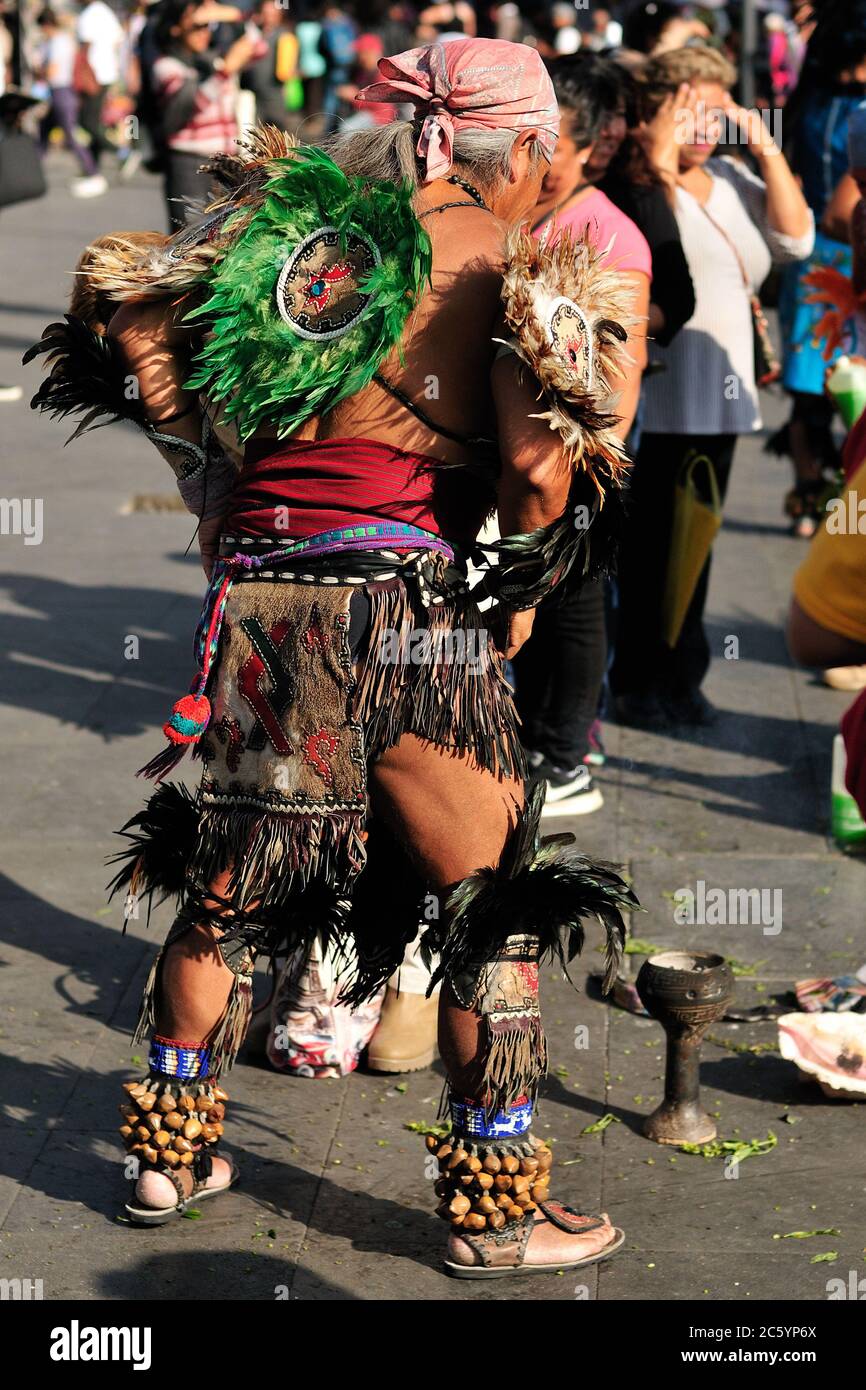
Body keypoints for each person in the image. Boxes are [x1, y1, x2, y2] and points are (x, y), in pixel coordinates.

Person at [28, 37, 638, 1278]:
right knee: (486, 903)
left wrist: (214, 492)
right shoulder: (508, 259)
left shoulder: (282, 233)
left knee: (227, 888)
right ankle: (494, 1208)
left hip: (263, 608)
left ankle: (167, 1149)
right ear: (518, 148)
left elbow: (132, 311)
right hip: (404, 609)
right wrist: (522, 590)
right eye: (536, 158)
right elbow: (530, 464)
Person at [610, 43, 814, 730]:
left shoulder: (731, 178)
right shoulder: (637, 180)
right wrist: (662, 151)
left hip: (723, 396)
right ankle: (644, 677)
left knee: (698, 542)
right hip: (661, 394)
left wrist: (762, 142)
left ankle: (680, 674)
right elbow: (653, 228)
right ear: (657, 110)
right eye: (687, 109)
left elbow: (798, 243)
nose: (702, 126)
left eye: (712, 111)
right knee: (650, 548)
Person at [511, 53, 650, 816]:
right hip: (530, 451)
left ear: (592, 146)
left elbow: (619, 374)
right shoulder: (533, 211)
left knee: (573, 604)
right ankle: (539, 741)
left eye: (551, 150)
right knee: (541, 597)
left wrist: (591, 460)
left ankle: (564, 760)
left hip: (578, 455)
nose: (537, 164)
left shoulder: (609, 231)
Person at [773, 0, 866, 537]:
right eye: (847, 61)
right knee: (811, 385)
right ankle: (813, 494)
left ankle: (845, 493)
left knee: (855, 381)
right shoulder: (809, 99)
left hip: (856, 251)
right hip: (817, 254)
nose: (855, 74)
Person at [150, 0, 266, 229]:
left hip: (227, 162)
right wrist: (225, 72)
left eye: (208, 26)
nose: (204, 32)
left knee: (227, 241)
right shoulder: (166, 66)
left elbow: (259, 47)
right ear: (175, 28)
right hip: (189, 165)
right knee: (189, 243)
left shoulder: (212, 59)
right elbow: (190, 105)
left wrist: (233, 15)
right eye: (196, 26)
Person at [37, 8, 106, 197]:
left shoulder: (57, 42)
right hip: (61, 92)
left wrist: (39, 71)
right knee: (44, 131)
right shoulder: (63, 40)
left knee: (70, 135)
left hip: (61, 92)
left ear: (46, 25)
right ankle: (34, 168)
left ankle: (93, 171)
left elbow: (51, 71)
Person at [76, 0, 122, 176]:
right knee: (94, 121)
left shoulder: (89, 15)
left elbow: (84, 50)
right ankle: (93, 167)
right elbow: (118, 40)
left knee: (87, 122)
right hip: (106, 74)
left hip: (94, 77)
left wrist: (84, 77)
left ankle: (121, 152)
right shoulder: (106, 11)